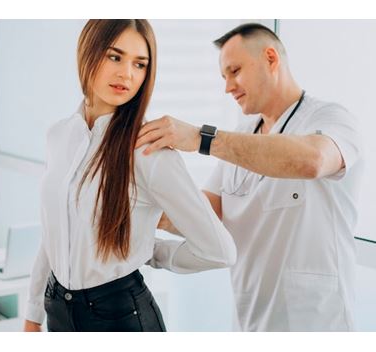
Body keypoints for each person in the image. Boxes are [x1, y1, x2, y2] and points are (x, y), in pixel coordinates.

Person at [136, 23, 364, 331]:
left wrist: (201, 139)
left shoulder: (331, 118)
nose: (228, 86)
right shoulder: (243, 138)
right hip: (251, 320)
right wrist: (137, 207)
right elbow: (206, 216)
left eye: (235, 70)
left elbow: (313, 160)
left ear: (271, 58)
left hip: (316, 322)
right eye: (224, 76)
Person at [23, 19, 236, 332]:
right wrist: (31, 317)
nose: (127, 74)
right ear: (88, 52)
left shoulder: (148, 149)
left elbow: (219, 251)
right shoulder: (58, 136)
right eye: (115, 57)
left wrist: (149, 252)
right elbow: (53, 234)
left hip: (120, 317)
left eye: (140, 64)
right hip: (58, 312)